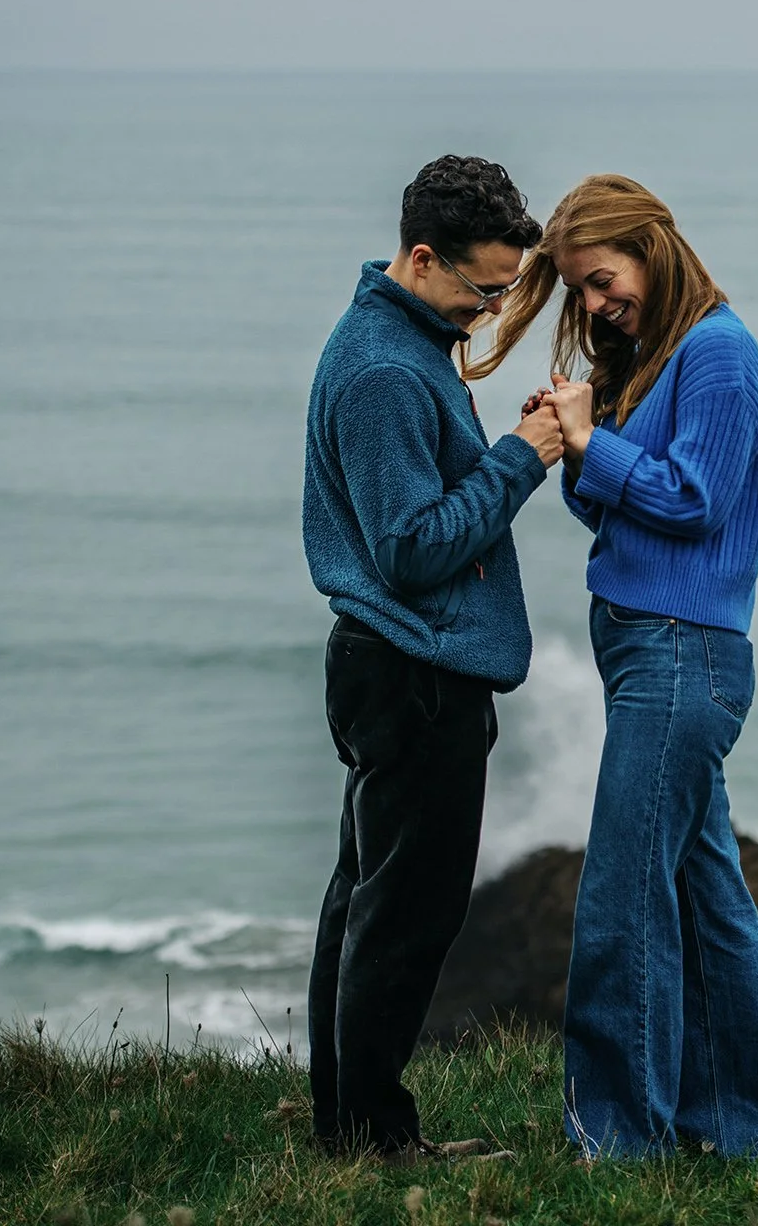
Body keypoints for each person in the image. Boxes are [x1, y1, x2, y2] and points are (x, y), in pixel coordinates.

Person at [469, 172, 758, 1158]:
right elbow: (617, 508)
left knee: (623, 896)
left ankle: (617, 1136)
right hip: (648, 646)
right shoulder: (654, 356)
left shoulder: (720, 353)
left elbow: (696, 499)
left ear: (653, 248)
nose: (594, 304)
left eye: (603, 280)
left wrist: (593, 443)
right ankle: (743, 1125)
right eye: (578, 291)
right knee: (703, 895)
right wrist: (583, 446)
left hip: (681, 650)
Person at [300, 154, 565, 1158]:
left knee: (364, 906)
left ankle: (348, 1132)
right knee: (402, 920)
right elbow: (410, 550)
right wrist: (522, 457)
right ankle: (373, 1143)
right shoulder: (383, 370)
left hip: (396, 668)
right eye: (485, 287)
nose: (495, 310)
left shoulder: (405, 340)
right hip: (413, 674)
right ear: (421, 255)